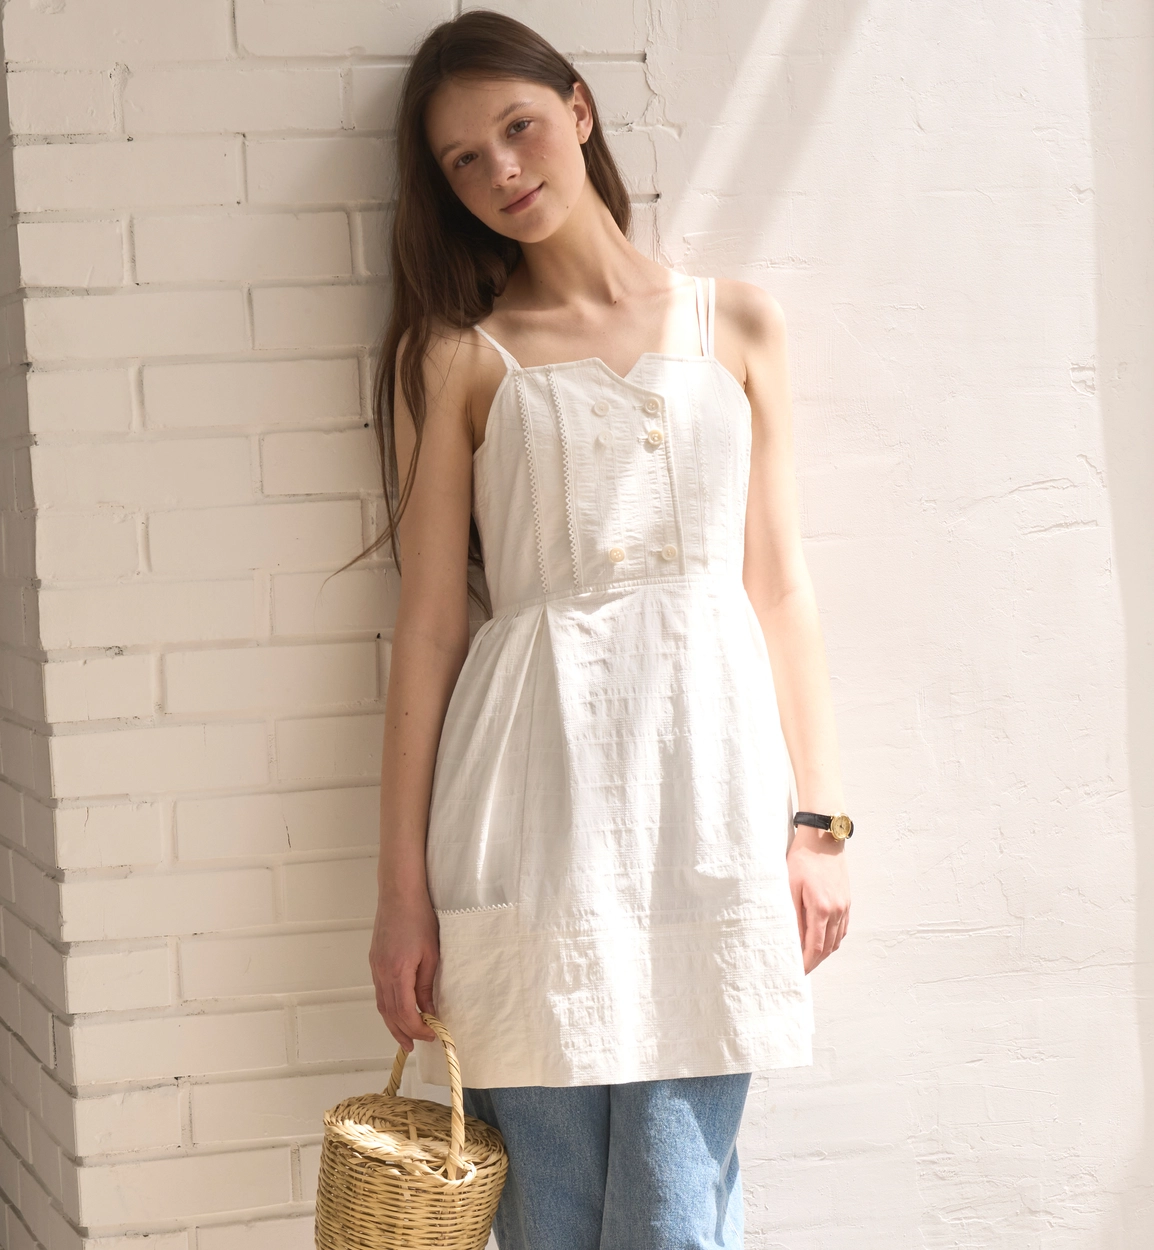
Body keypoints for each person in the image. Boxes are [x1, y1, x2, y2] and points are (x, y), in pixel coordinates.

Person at [350, 10, 853, 1248]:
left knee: (673, 1210)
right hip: (525, 813)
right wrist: (400, 892)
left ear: (577, 109)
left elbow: (778, 586)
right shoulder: (457, 359)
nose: (501, 170)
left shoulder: (735, 324)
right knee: (552, 1212)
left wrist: (820, 822)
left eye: (517, 128)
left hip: (709, 806)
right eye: (463, 159)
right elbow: (430, 627)